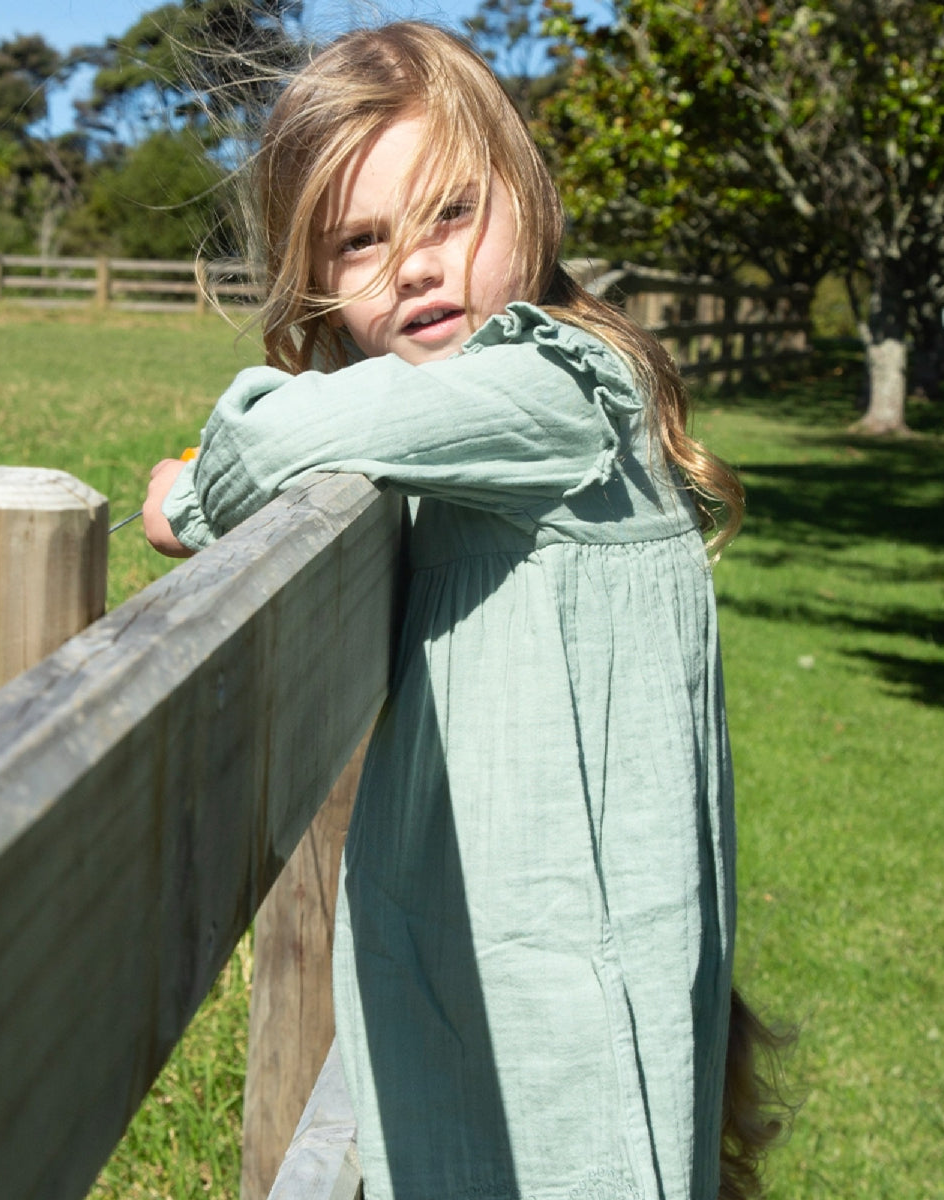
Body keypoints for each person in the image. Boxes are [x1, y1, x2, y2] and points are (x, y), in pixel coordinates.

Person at [144, 21, 788, 1200]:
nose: (415, 268)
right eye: (360, 240)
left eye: (450, 213)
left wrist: (186, 495)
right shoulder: (499, 418)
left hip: (559, 1012)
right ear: (315, 274)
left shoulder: (555, 390)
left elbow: (271, 438)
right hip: (500, 974)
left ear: (527, 200)